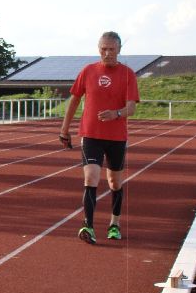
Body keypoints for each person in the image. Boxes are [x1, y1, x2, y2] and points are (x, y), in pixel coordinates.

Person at [59, 31, 140, 245]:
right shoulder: (88, 71)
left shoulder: (128, 74)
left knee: (115, 182)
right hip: (91, 135)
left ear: (119, 49)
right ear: (98, 49)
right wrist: (64, 129)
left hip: (116, 137)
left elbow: (131, 107)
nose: (107, 53)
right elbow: (74, 100)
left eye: (111, 49)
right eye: (103, 49)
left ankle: (114, 224)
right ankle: (88, 226)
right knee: (91, 177)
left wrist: (117, 114)